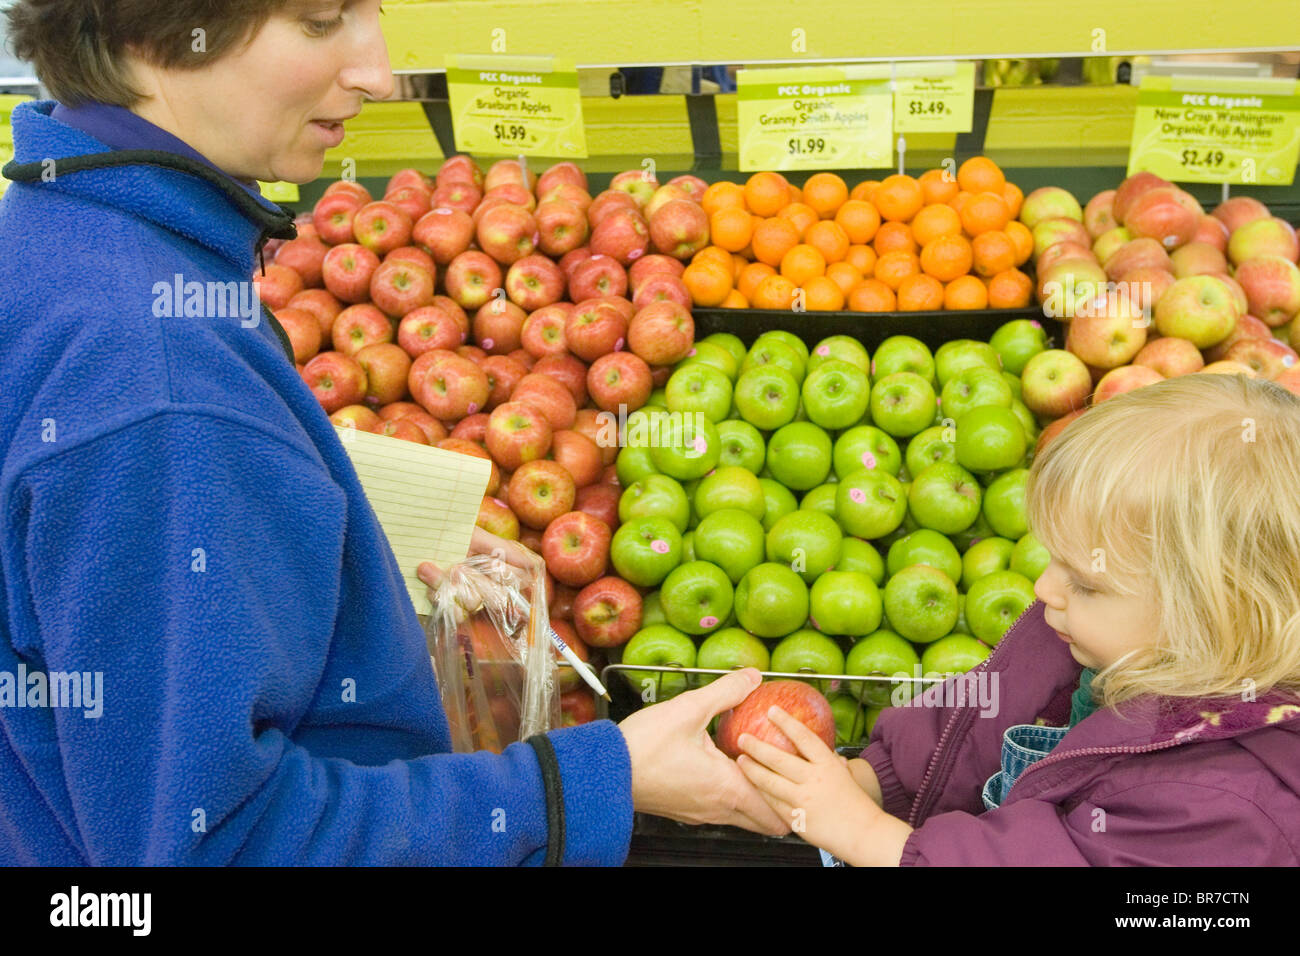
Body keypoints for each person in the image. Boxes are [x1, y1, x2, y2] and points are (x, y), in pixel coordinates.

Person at [0, 0, 785, 866]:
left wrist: (356, 529)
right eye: (320, 19)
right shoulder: (158, 375)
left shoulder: (66, 238)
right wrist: (589, 780)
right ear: (153, 32)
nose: (377, 72)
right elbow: (219, 845)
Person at [737, 374, 1300, 865]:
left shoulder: (1226, 806)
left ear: (1215, 618)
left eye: (1086, 580)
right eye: (1051, 557)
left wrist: (868, 836)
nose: (1043, 588)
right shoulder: (1077, 637)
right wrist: (868, 783)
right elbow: (971, 730)